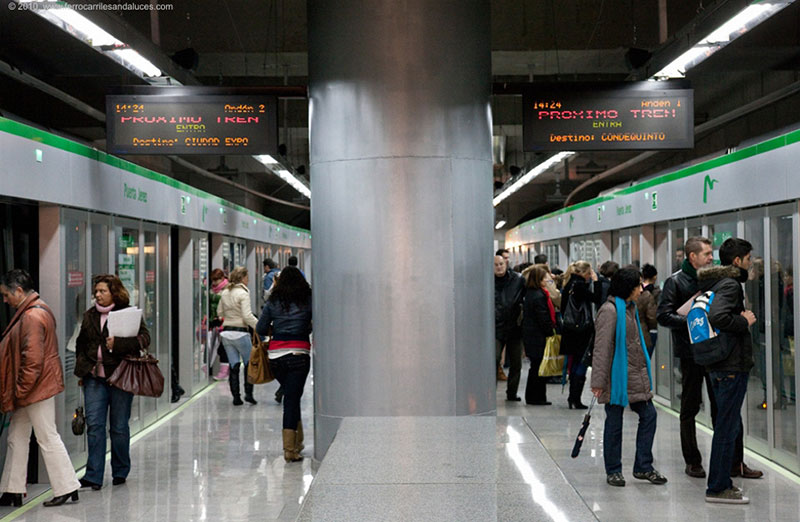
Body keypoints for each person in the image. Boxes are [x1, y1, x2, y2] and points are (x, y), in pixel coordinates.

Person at [657, 237, 762, 480]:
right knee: (690, 407)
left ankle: (735, 462)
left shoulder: (716, 279)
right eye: (705, 253)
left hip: (718, 353)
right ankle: (693, 461)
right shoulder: (676, 281)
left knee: (725, 410)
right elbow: (664, 315)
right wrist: (695, 323)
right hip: (691, 352)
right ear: (692, 257)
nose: (710, 257)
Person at [0, 270, 81, 507]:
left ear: (18, 291)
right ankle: (12, 489)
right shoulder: (36, 309)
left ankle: (67, 486)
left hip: (35, 389)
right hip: (36, 387)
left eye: (6, 295)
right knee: (17, 436)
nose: (5, 300)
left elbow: (32, 361)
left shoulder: (32, 317)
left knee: (47, 436)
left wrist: (20, 392)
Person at [592, 267, 666, 488]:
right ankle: (613, 470)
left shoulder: (630, 308)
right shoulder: (610, 311)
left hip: (636, 375)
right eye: (638, 285)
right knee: (614, 423)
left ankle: (643, 466)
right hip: (616, 378)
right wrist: (597, 381)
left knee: (649, 416)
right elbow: (602, 348)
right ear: (629, 288)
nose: (642, 288)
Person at [75, 274, 150, 490]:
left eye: (102, 291)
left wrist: (119, 343)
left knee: (118, 427)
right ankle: (93, 475)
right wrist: (83, 368)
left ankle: (120, 471)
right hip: (94, 379)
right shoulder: (89, 316)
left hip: (120, 378)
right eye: (96, 292)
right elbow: (81, 343)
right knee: (95, 426)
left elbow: (145, 338)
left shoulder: (128, 313)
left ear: (114, 292)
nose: (97, 295)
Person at [700, 238, 758, 504]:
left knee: (727, 423)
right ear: (737, 261)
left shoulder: (717, 282)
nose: (750, 263)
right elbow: (718, 317)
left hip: (722, 363)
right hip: (730, 365)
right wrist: (743, 321)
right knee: (727, 425)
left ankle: (721, 481)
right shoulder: (731, 284)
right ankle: (719, 486)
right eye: (748, 258)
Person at [256, 266, 312, 463]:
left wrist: (276, 326)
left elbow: (260, 328)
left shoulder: (273, 301)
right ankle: (290, 450)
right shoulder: (308, 299)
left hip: (276, 357)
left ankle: (298, 442)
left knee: (291, 396)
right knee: (292, 399)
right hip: (299, 353)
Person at [561, 260, 601, 409]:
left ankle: (573, 398)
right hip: (581, 332)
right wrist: (596, 282)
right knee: (581, 363)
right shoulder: (579, 286)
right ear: (585, 273)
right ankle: (575, 398)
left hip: (570, 331)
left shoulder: (568, 285)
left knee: (575, 362)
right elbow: (596, 298)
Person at [217, 267, 259, 406]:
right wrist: (259, 326)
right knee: (248, 364)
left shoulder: (225, 292)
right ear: (242, 278)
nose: (249, 280)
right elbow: (247, 316)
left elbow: (220, 312)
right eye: (247, 277)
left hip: (227, 333)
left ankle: (236, 397)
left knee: (233, 365)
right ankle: (249, 394)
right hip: (241, 332)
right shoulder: (243, 293)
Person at [521, 265, 557, 405]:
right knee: (538, 368)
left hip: (532, 336)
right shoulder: (539, 296)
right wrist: (550, 332)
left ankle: (535, 396)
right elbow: (543, 317)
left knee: (536, 367)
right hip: (537, 337)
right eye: (544, 278)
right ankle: (536, 397)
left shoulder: (531, 293)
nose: (546, 281)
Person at [494, 255, 526, 401]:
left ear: (506, 264)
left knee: (516, 363)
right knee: (493, 360)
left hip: (514, 327)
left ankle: (512, 392)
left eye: (501, 264)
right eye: (496, 265)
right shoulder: (488, 281)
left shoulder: (518, 279)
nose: (499, 267)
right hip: (496, 327)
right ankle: (490, 392)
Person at [209, 268, 229, 381]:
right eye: (213, 280)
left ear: (222, 278)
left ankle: (224, 370)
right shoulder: (211, 290)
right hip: (213, 321)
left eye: (216, 279)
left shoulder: (227, 289)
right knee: (212, 345)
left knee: (223, 347)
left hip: (224, 322)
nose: (214, 282)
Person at [637, 263, 659, 356]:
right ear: (654, 277)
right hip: (647, 331)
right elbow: (652, 317)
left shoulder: (635, 290)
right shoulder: (655, 292)